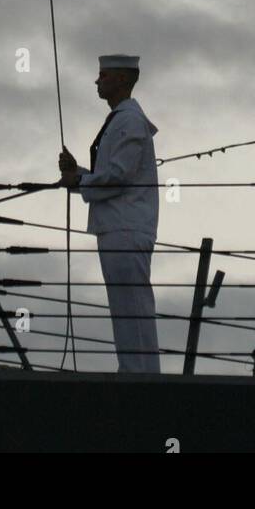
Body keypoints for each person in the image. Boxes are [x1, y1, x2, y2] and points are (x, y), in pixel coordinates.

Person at [58, 54, 160, 373]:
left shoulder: (129, 121)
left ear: (121, 80)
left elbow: (119, 176)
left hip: (125, 228)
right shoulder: (122, 120)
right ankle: (135, 371)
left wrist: (81, 180)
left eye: (103, 75)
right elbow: (113, 174)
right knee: (126, 307)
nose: (97, 81)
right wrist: (79, 175)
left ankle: (139, 374)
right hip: (116, 227)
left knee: (132, 308)